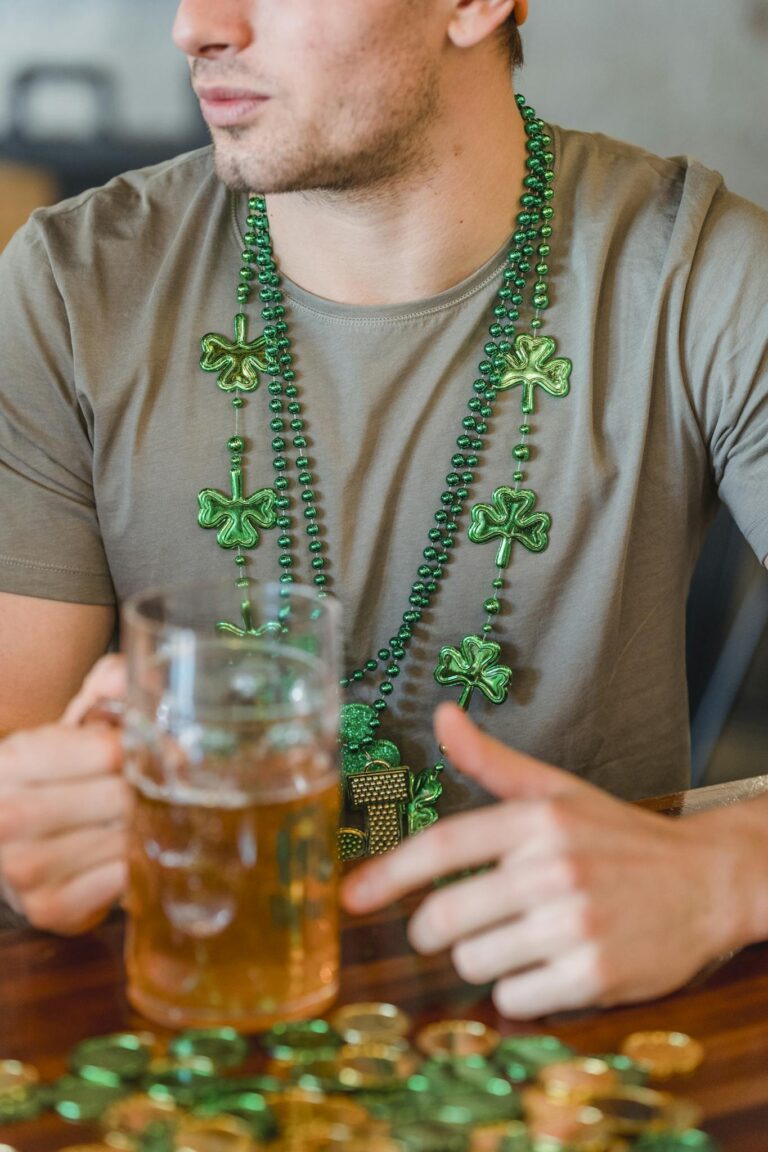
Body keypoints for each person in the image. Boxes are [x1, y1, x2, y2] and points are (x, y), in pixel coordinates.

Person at [0, 0, 766, 1018]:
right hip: (187, 1027)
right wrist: (26, 832)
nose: (196, 26)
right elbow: (18, 759)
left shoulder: (699, 272)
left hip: (570, 1051)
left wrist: (727, 871)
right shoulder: (71, 286)